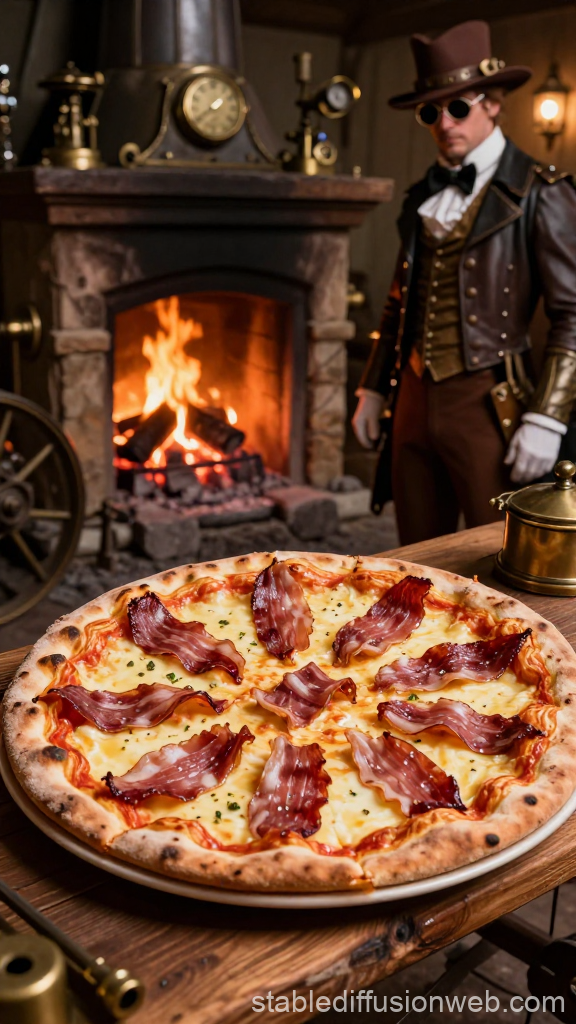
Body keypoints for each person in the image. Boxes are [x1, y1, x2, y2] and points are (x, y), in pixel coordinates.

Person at [353, 19, 576, 544]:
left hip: (486, 402)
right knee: (415, 555)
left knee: (490, 553)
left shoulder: (541, 192)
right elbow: (398, 304)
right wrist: (369, 387)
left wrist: (547, 416)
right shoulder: (420, 198)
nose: (444, 122)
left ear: (494, 102)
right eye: (431, 111)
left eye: (459, 106)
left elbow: (573, 314)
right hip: (409, 399)